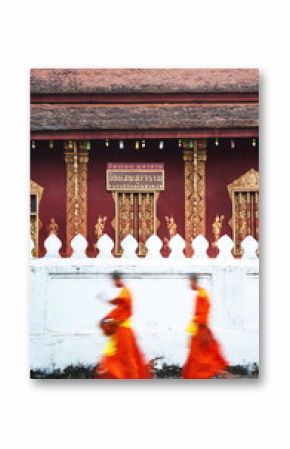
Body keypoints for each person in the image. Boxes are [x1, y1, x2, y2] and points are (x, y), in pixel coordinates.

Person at [95, 272, 151, 379]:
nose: (114, 283)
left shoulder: (126, 292)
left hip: (123, 330)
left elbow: (120, 303)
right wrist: (106, 317)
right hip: (120, 329)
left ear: (118, 279)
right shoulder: (124, 292)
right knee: (122, 356)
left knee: (126, 358)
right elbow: (118, 307)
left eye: (115, 280)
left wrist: (107, 304)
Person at [182, 274, 230, 379]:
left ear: (195, 282)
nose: (189, 284)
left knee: (201, 358)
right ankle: (219, 372)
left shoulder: (201, 295)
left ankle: (220, 372)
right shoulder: (201, 293)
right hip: (199, 329)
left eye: (190, 282)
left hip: (201, 330)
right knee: (202, 357)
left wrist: (203, 331)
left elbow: (203, 314)